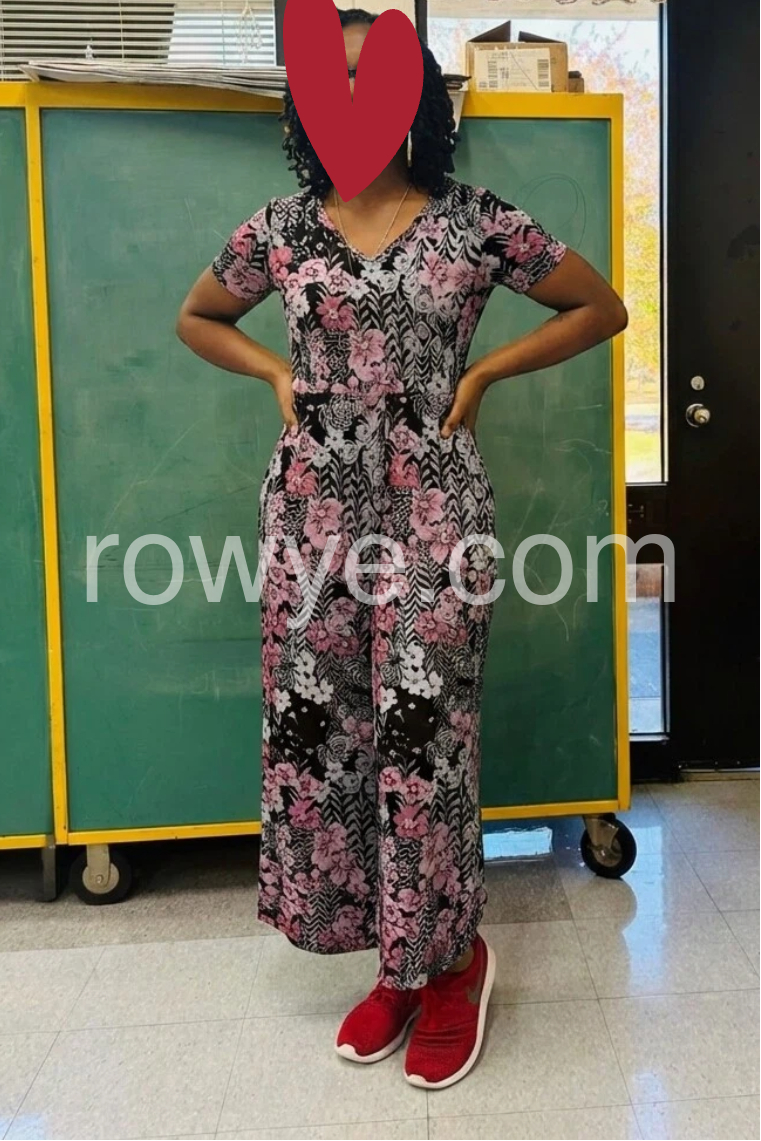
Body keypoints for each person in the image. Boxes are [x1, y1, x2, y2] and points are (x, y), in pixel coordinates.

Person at [177, 7, 627, 1091]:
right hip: (308, 519)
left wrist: (484, 374)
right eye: (326, 78)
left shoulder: (472, 220)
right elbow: (199, 316)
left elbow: (598, 305)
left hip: (433, 511)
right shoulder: (282, 228)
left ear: (411, 95)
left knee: (424, 740)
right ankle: (395, 961)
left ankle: (451, 962)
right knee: (324, 736)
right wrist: (275, 374)